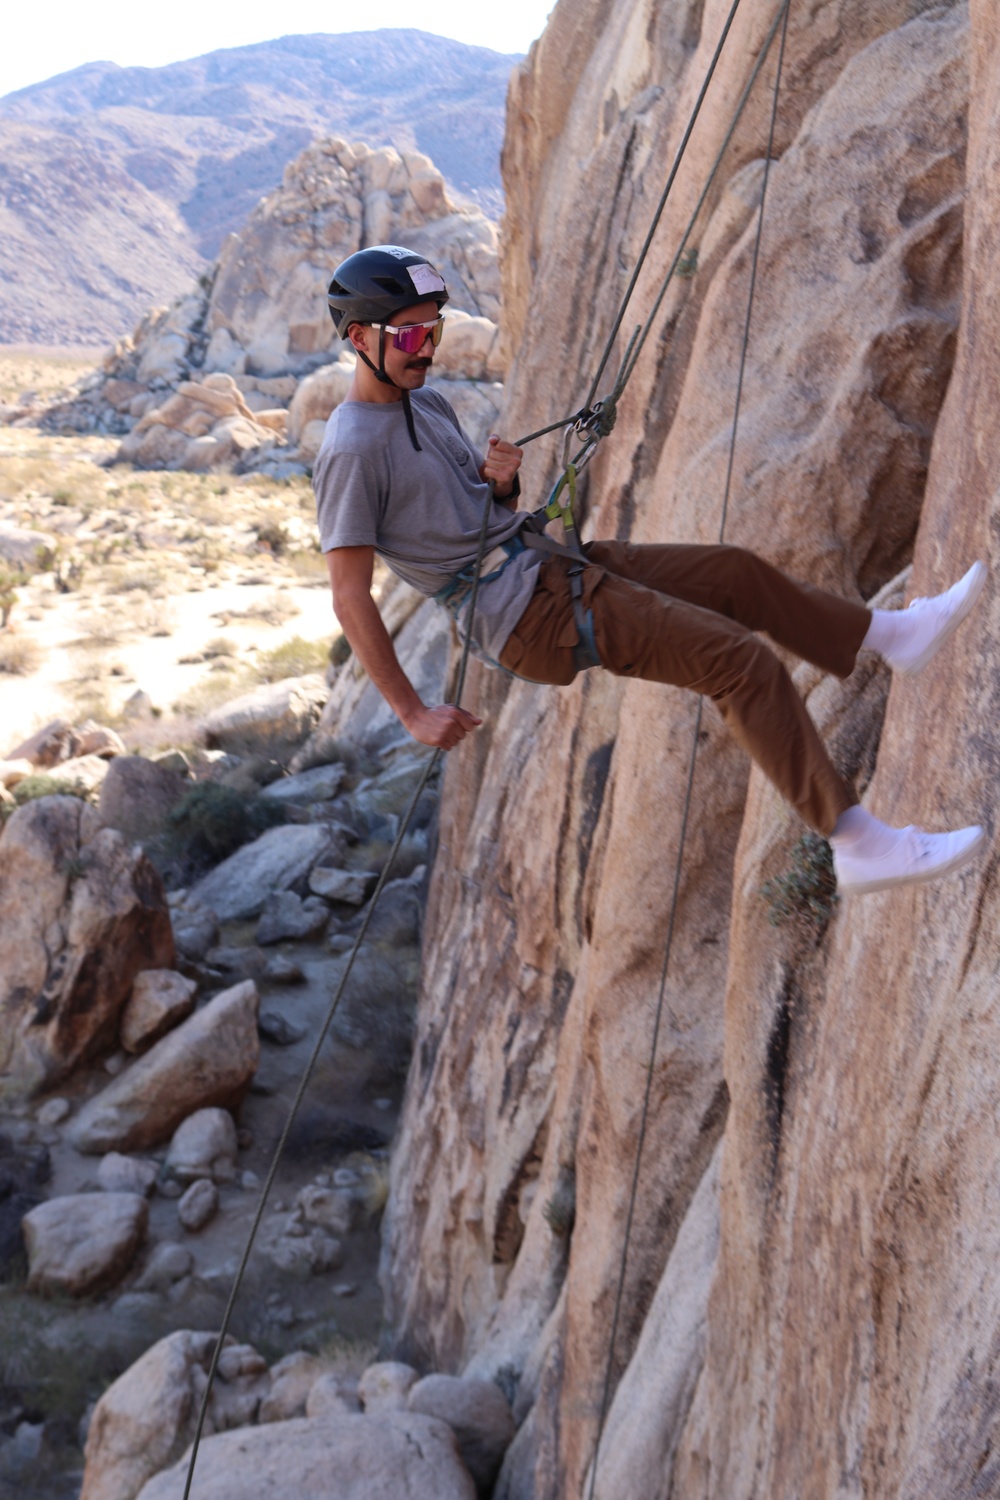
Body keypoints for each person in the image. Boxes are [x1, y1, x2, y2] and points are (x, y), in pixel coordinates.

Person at [313, 245, 986, 897]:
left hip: (543, 566)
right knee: (740, 663)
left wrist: (500, 488)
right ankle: (860, 845)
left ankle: (895, 638)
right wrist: (410, 712)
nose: (427, 349)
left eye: (433, 330)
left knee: (733, 574)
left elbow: (468, 514)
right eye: (408, 338)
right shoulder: (349, 451)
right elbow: (350, 597)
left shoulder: (425, 403)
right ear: (358, 338)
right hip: (524, 618)